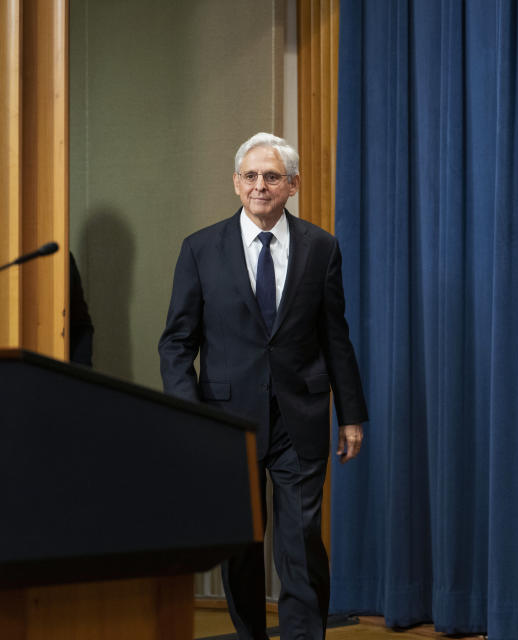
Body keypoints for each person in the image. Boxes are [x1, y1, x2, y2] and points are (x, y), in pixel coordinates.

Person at [159, 133, 367, 639]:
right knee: (242, 549)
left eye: (272, 176)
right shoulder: (200, 249)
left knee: (300, 546)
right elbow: (176, 344)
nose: (260, 186)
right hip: (228, 423)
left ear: (292, 185)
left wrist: (353, 414)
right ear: (235, 183)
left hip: (302, 416)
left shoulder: (322, 248)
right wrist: (192, 415)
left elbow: (335, 337)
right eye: (250, 176)